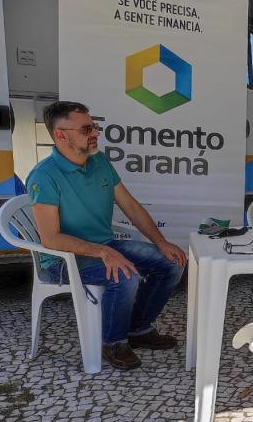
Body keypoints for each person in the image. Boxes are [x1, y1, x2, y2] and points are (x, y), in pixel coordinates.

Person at [26, 101, 186, 371]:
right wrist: (103, 252)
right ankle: (113, 343)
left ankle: (138, 329)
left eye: (95, 127)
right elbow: (50, 239)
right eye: (87, 128)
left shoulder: (99, 161)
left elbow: (131, 206)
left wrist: (161, 241)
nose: (96, 133)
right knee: (124, 274)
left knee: (171, 262)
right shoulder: (44, 176)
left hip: (104, 245)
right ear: (61, 135)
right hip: (62, 261)